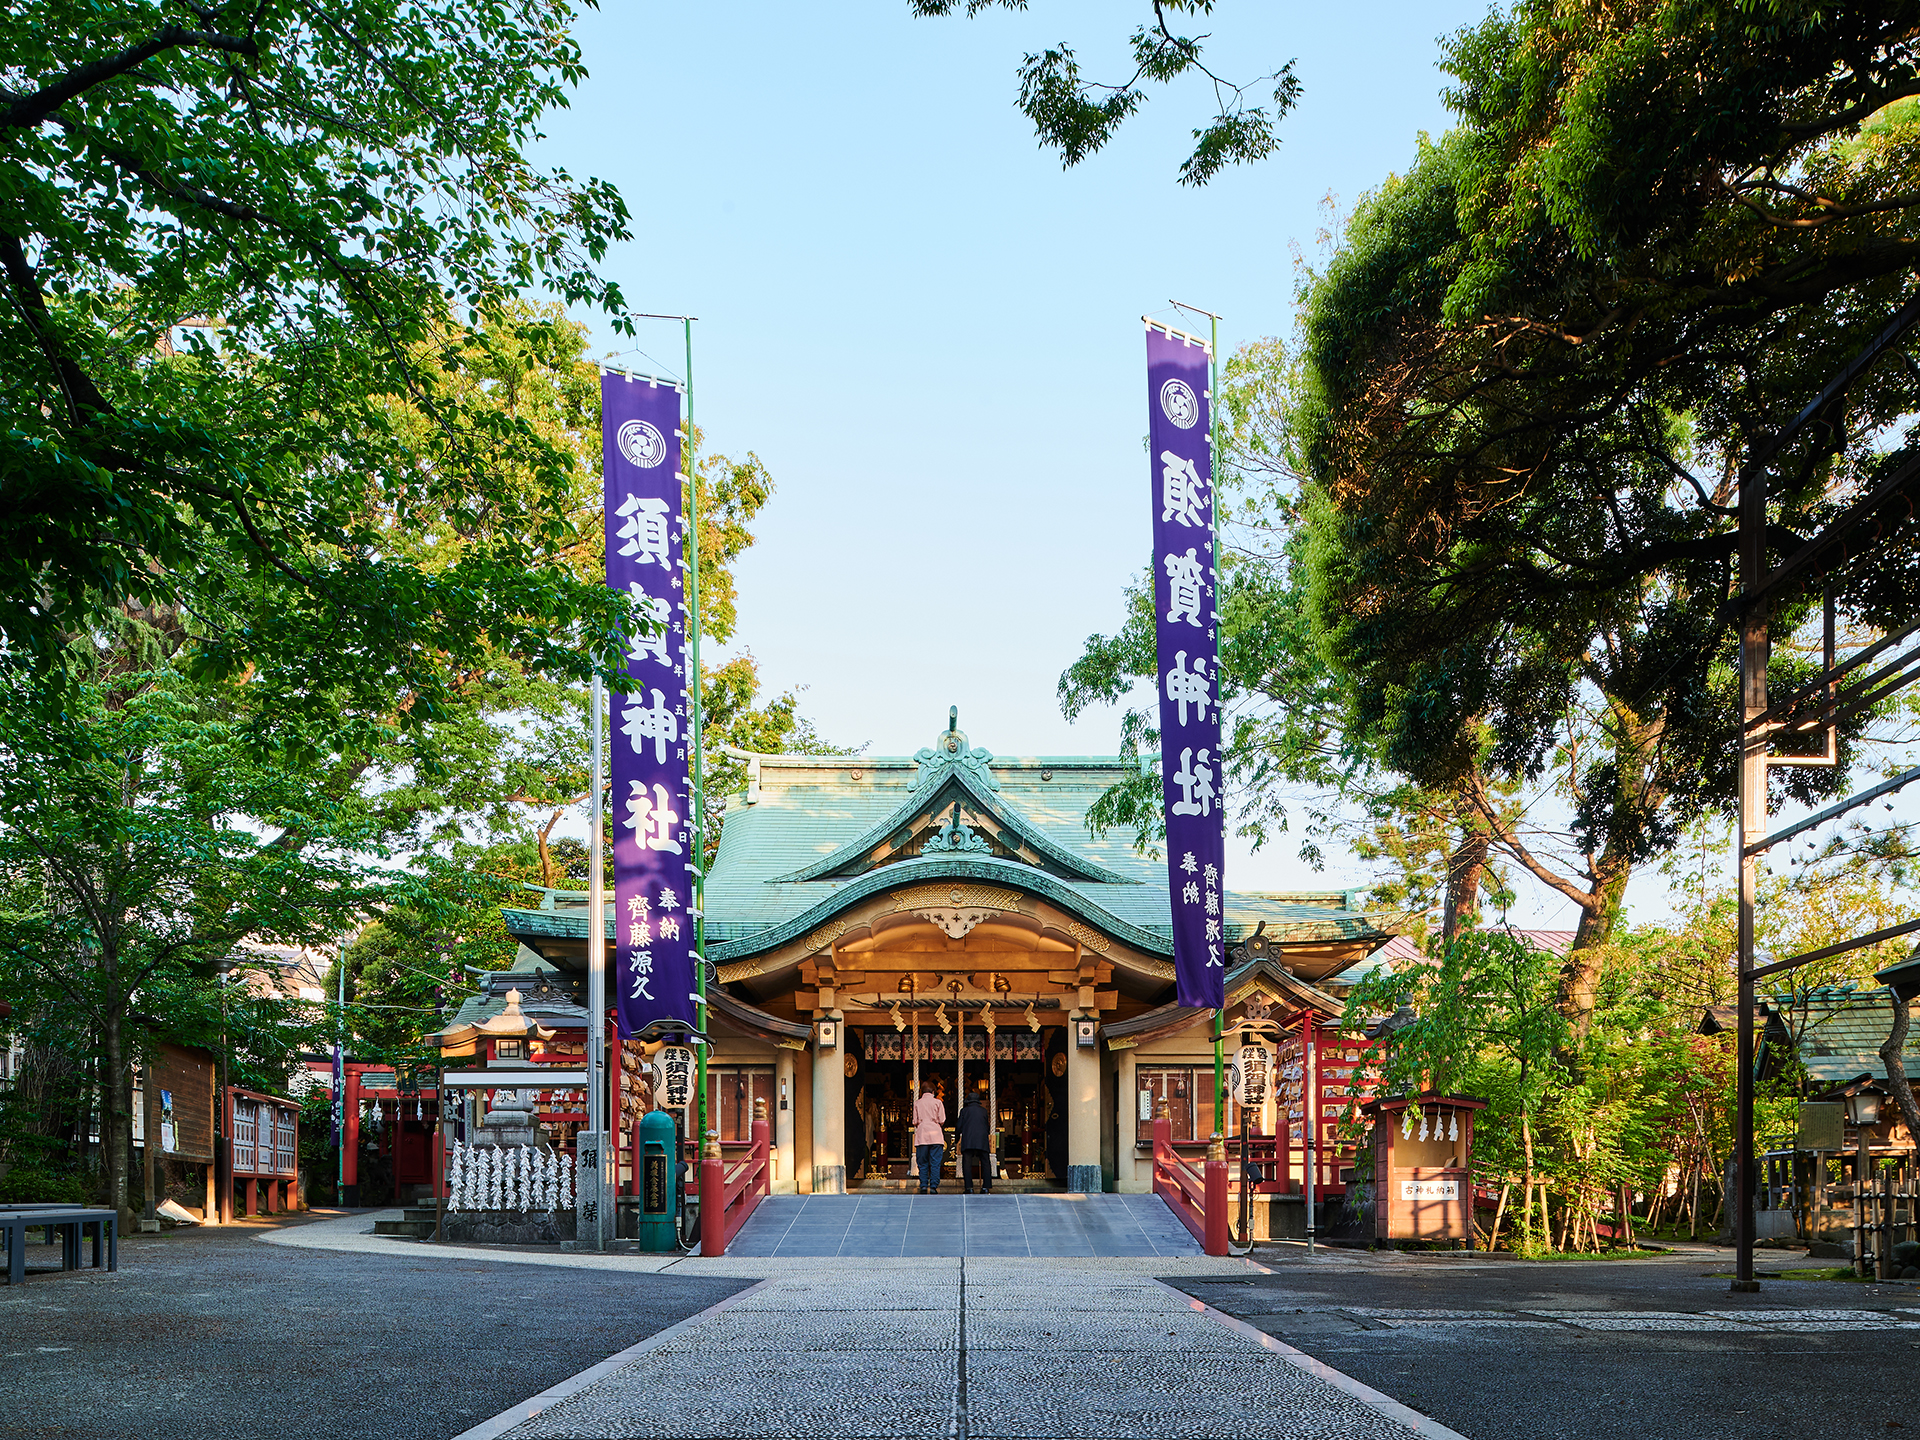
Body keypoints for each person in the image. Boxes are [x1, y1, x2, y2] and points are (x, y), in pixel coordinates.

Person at [912, 1081, 946, 1194]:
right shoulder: (938, 1103)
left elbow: (914, 1121)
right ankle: (933, 1186)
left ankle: (923, 1185)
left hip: (922, 1135)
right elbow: (942, 1120)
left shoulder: (917, 1103)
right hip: (936, 1135)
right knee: (935, 1162)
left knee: (922, 1162)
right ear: (933, 1092)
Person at [957, 1090, 992, 1194]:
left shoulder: (964, 1111)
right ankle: (986, 1187)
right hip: (982, 1140)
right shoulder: (983, 1111)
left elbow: (959, 1126)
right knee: (985, 1163)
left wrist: (957, 1138)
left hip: (968, 1140)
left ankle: (969, 1187)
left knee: (967, 1163)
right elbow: (987, 1126)